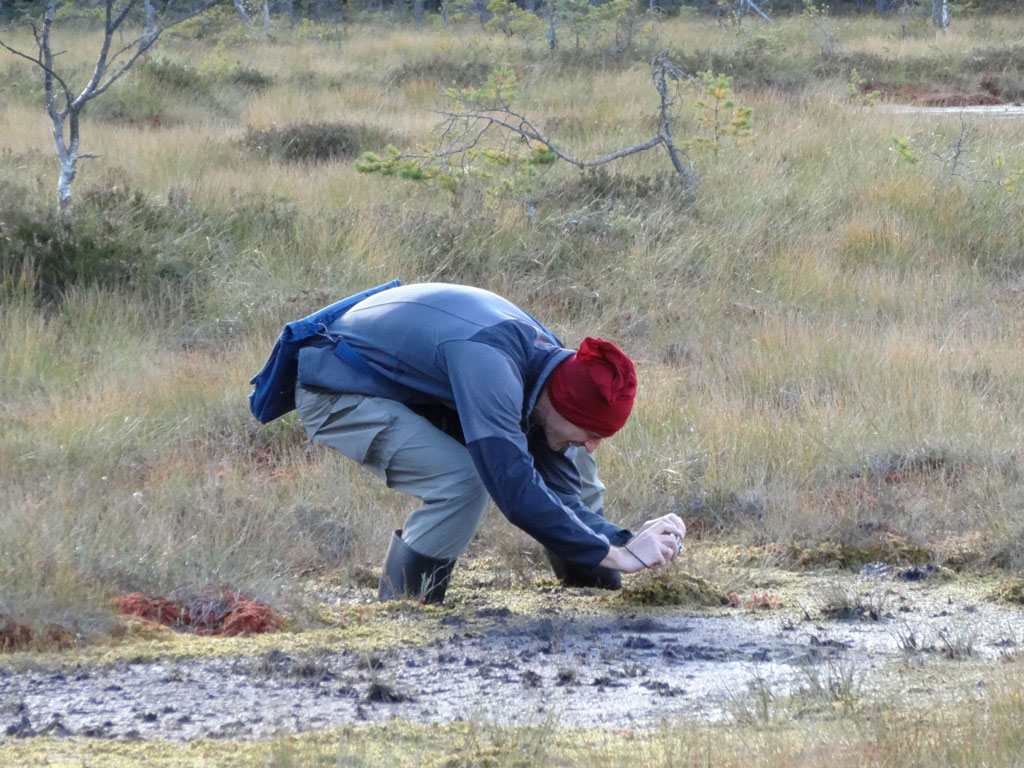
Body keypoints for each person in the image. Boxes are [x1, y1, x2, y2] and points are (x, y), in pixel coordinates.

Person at [249, 281, 686, 604]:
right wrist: (618, 556)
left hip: (411, 384)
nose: (592, 444)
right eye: (590, 432)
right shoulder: (492, 366)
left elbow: (556, 482)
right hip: (338, 385)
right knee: (462, 481)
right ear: (562, 403)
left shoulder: (550, 368)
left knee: (576, 467)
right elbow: (513, 489)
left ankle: (591, 589)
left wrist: (626, 542)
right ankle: (405, 608)